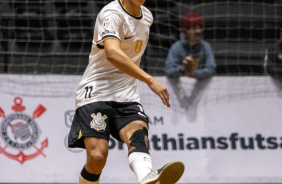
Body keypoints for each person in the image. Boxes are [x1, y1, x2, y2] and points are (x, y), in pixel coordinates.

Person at [68, 0, 185, 184]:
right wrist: (150, 80)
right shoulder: (111, 14)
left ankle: (148, 177)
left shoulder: (147, 16)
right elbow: (112, 53)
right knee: (97, 158)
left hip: (127, 94)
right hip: (96, 91)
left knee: (138, 135)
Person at [164, 10, 216, 79]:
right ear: (186, 31)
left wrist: (194, 73)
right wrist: (182, 69)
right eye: (194, 28)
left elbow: (211, 69)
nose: (198, 31)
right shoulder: (177, 47)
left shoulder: (205, 46)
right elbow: (168, 70)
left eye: (200, 27)